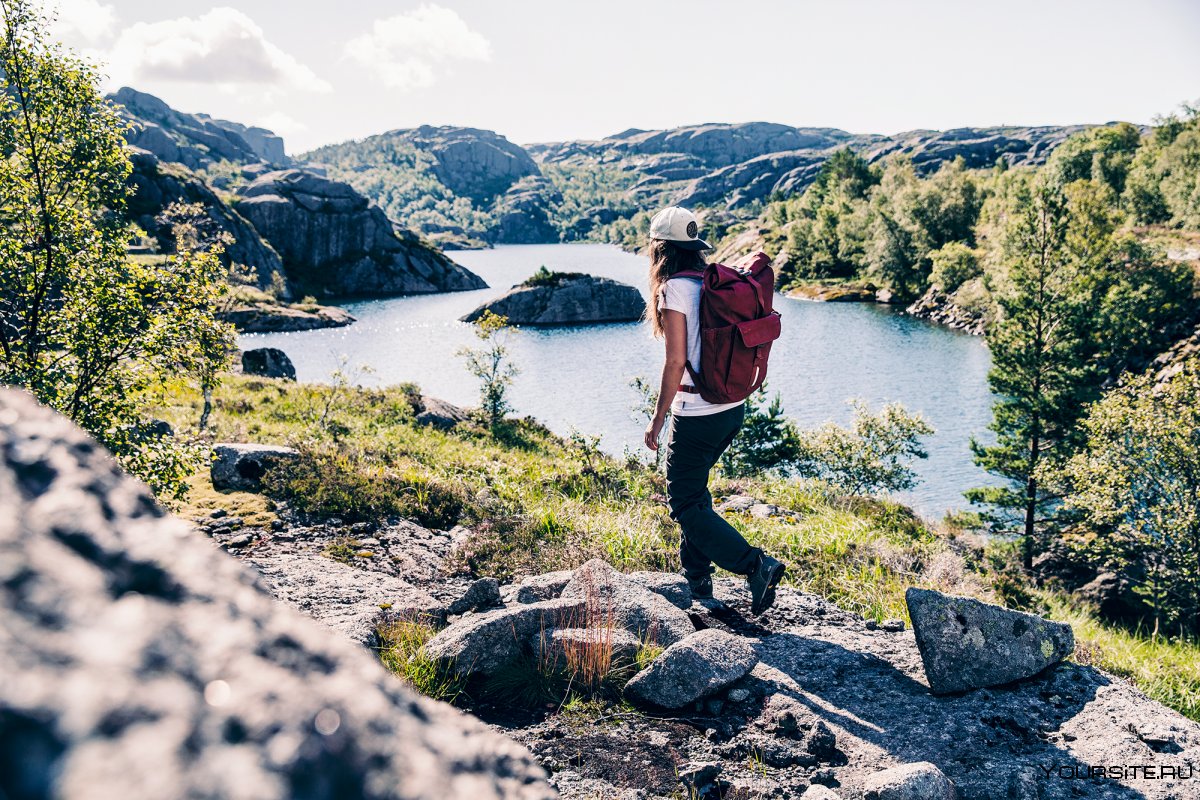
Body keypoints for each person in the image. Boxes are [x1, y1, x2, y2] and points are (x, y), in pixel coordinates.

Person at [641, 205, 786, 615]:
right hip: (731, 409)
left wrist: (657, 420)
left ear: (660, 250)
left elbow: (675, 362)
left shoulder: (672, 289)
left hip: (697, 413)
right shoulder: (712, 281)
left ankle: (755, 565)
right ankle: (697, 579)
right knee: (696, 494)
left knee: (684, 503)